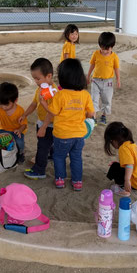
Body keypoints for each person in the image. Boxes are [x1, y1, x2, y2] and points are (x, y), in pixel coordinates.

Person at [39, 58, 95, 191]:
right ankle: (77, 181)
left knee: (59, 157)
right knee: (76, 158)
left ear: (63, 78)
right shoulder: (85, 95)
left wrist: (44, 104)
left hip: (62, 135)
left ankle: (60, 179)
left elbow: (53, 111)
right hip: (79, 135)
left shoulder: (60, 95)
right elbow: (91, 113)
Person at [19, 58, 57, 179]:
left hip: (49, 125)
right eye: (34, 78)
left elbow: (52, 113)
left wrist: (44, 127)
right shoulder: (40, 89)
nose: (35, 81)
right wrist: (25, 114)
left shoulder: (53, 92)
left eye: (37, 78)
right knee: (49, 144)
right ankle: (51, 155)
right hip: (41, 122)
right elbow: (34, 104)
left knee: (42, 147)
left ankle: (39, 170)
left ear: (49, 76)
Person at [103, 121, 137, 197]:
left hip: (136, 183)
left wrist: (127, 180)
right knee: (117, 165)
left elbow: (129, 164)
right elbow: (132, 162)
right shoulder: (131, 144)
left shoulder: (123, 148)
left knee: (114, 167)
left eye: (111, 142)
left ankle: (121, 188)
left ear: (114, 140)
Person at [0, 82, 27, 164]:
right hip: (3, 130)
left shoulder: (20, 111)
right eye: (0, 104)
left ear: (15, 100)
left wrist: (19, 130)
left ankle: (21, 154)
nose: (3, 107)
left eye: (6, 105)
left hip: (16, 131)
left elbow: (24, 125)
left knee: (19, 142)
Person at [87, 32, 120, 126]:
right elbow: (92, 64)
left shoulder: (114, 57)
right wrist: (88, 75)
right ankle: (94, 118)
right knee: (94, 99)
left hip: (108, 82)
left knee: (107, 100)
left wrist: (118, 80)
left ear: (112, 46)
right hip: (95, 81)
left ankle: (104, 116)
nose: (104, 51)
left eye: (107, 49)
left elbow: (116, 68)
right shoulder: (96, 54)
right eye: (102, 48)